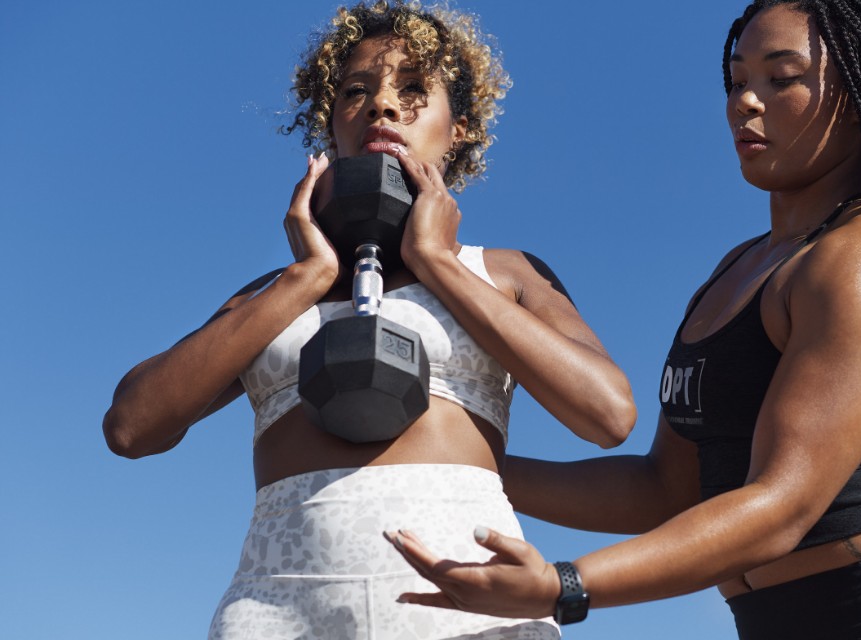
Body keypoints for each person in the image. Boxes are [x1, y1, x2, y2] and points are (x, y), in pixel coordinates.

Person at [385, 1, 861, 638]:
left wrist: (565, 585)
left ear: (860, 94)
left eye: (781, 78)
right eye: (736, 81)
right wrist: (459, 467)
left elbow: (783, 507)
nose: (745, 102)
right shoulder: (738, 269)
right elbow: (665, 489)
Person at [101, 2, 636, 639]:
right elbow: (132, 426)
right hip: (280, 603)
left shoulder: (505, 272)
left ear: (458, 128)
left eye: (413, 90)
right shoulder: (276, 290)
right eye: (357, 91)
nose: (382, 106)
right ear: (329, 125)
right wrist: (304, 279)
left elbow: (608, 414)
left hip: (465, 602)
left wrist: (436, 261)